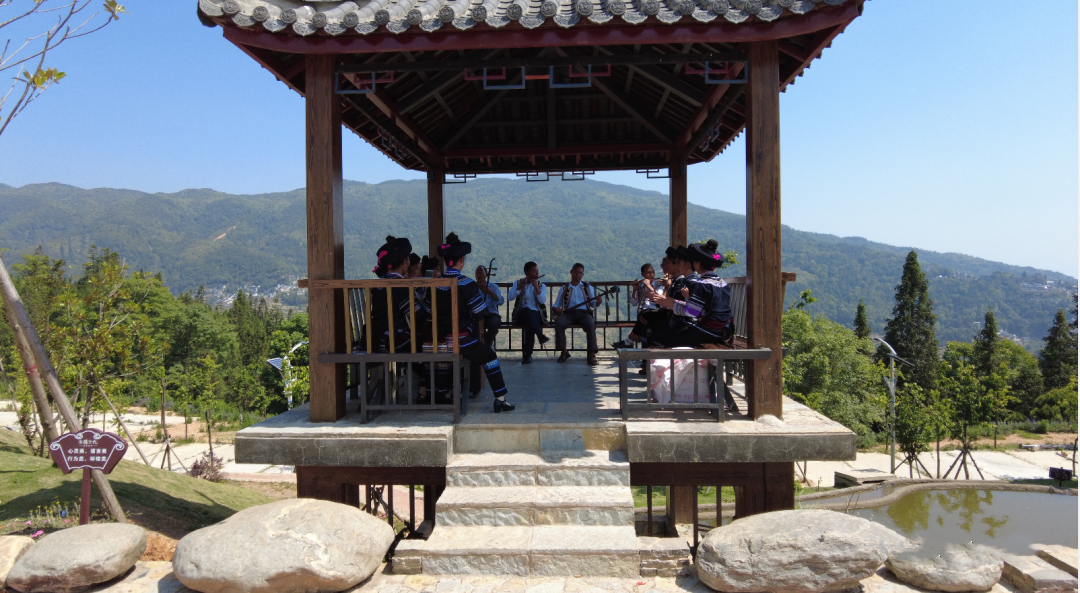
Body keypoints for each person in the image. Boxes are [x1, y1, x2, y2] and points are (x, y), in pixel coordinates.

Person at [430, 233, 516, 412]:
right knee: (489, 356)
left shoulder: (436, 284)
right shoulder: (467, 284)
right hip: (461, 340)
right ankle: (500, 398)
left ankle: (442, 392)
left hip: (438, 340)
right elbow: (480, 313)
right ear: (462, 260)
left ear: (445, 260)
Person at [368, 236, 414, 353]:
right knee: (428, 340)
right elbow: (416, 315)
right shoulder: (399, 285)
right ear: (405, 262)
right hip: (393, 340)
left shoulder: (378, 286)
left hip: (377, 338)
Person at [552, 263, 603, 365]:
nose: (578, 275)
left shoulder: (587, 287)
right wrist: (555, 308)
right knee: (559, 324)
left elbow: (593, 304)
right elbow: (557, 303)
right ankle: (564, 351)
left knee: (590, 324)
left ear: (582, 275)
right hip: (569, 314)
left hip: (584, 313)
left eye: (580, 273)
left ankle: (591, 354)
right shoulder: (564, 288)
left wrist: (598, 302)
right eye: (575, 272)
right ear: (571, 272)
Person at [469, 265, 504, 398]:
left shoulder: (493, 286)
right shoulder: (472, 287)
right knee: (473, 327)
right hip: (478, 314)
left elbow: (500, 301)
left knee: (494, 323)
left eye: (481, 273)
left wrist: (490, 292)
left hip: (491, 313)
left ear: (486, 275)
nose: (479, 276)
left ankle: (487, 346)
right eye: (477, 273)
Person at [507, 261, 548, 364]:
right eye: (534, 271)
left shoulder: (541, 285)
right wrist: (519, 288)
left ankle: (528, 355)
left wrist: (536, 287)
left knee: (530, 321)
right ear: (527, 273)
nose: (537, 273)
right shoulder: (518, 283)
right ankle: (539, 335)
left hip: (536, 315)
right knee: (526, 311)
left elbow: (542, 300)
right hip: (521, 315)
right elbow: (510, 297)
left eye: (537, 270)